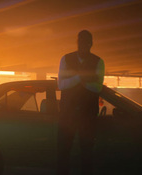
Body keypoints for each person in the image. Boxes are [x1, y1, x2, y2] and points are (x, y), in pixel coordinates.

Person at [57, 30, 105, 175]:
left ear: (91, 44)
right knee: (65, 151)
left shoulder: (97, 61)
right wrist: (82, 78)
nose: (81, 44)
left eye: (84, 42)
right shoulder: (66, 59)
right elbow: (61, 85)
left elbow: (97, 87)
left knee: (86, 152)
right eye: (80, 41)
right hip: (70, 114)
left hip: (85, 115)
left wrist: (74, 79)